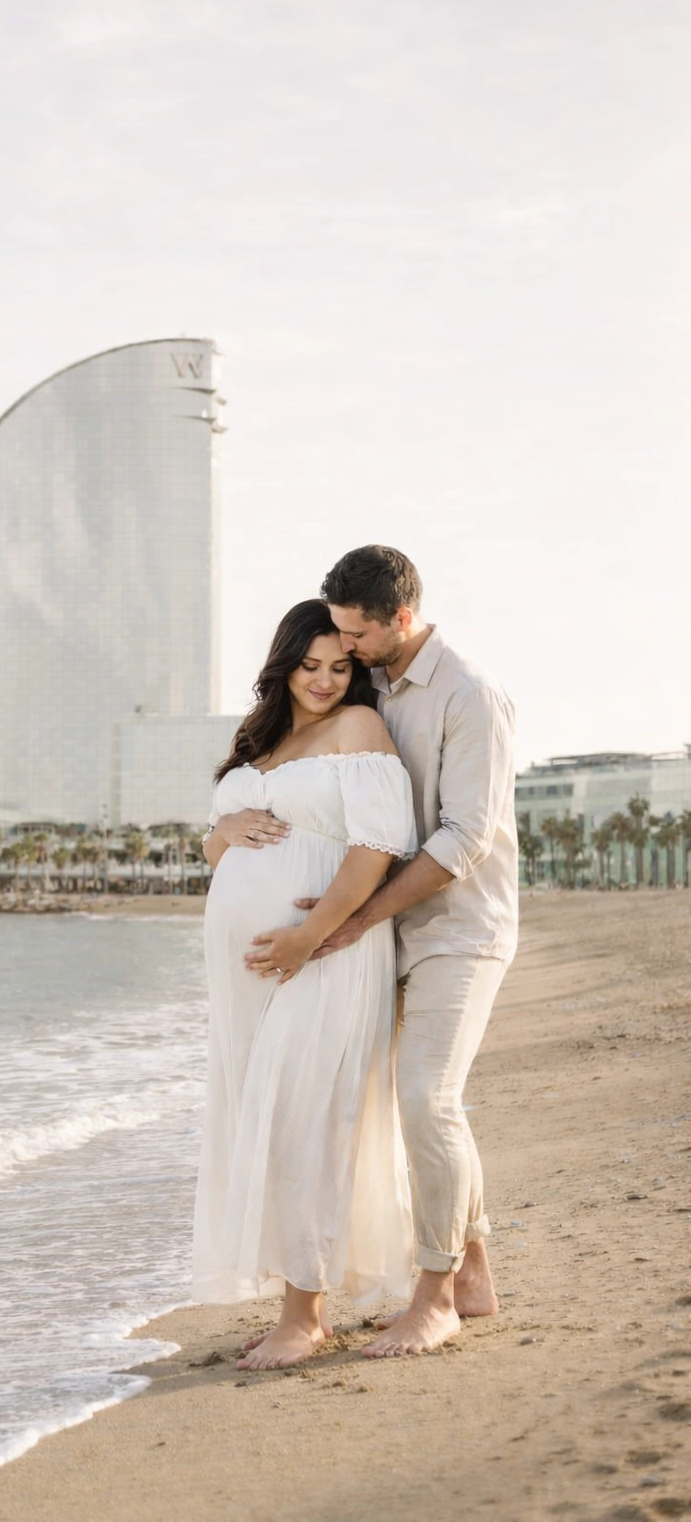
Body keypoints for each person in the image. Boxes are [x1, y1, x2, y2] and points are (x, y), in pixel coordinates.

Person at [249, 546, 518, 1357]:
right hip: (387, 936)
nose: (346, 648)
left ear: (401, 618)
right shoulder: (376, 692)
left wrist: (357, 918)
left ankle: (432, 1296)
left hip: (458, 931)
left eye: (356, 634)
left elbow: (464, 838)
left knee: (427, 1102)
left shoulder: (469, 693)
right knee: (404, 1111)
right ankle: (472, 1272)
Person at [193, 599, 417, 1370]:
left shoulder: (361, 730)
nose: (324, 681)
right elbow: (218, 854)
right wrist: (222, 831)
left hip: (325, 956)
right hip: (254, 979)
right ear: (282, 664)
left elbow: (375, 849)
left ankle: (307, 1315)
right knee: (268, 1119)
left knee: (311, 1122)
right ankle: (295, 1298)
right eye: (310, 665)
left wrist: (307, 936)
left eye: (340, 667)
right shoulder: (261, 741)